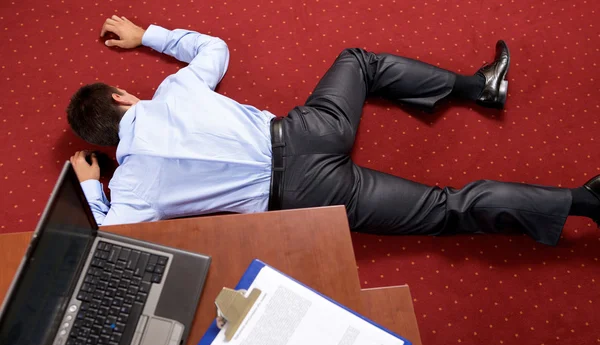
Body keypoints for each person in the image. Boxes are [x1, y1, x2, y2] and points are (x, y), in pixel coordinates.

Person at [67, 16, 600, 246]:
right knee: (358, 62)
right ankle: (479, 87)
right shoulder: (173, 93)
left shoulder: (130, 186)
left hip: (306, 198)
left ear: (105, 145)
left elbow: (113, 238)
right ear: (121, 98)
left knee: (445, 207)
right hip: (308, 133)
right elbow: (215, 50)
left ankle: (584, 201)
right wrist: (147, 35)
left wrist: (92, 185)